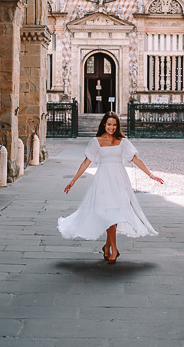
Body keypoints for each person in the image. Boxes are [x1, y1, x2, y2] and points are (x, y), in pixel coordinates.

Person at [58, 111, 163, 264]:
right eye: (109, 124)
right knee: (108, 213)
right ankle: (113, 248)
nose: (112, 127)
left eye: (114, 125)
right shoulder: (96, 141)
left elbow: (135, 159)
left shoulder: (123, 141)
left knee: (114, 214)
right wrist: (73, 181)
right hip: (102, 180)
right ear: (104, 125)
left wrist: (151, 175)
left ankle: (109, 247)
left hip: (119, 180)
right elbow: (86, 162)